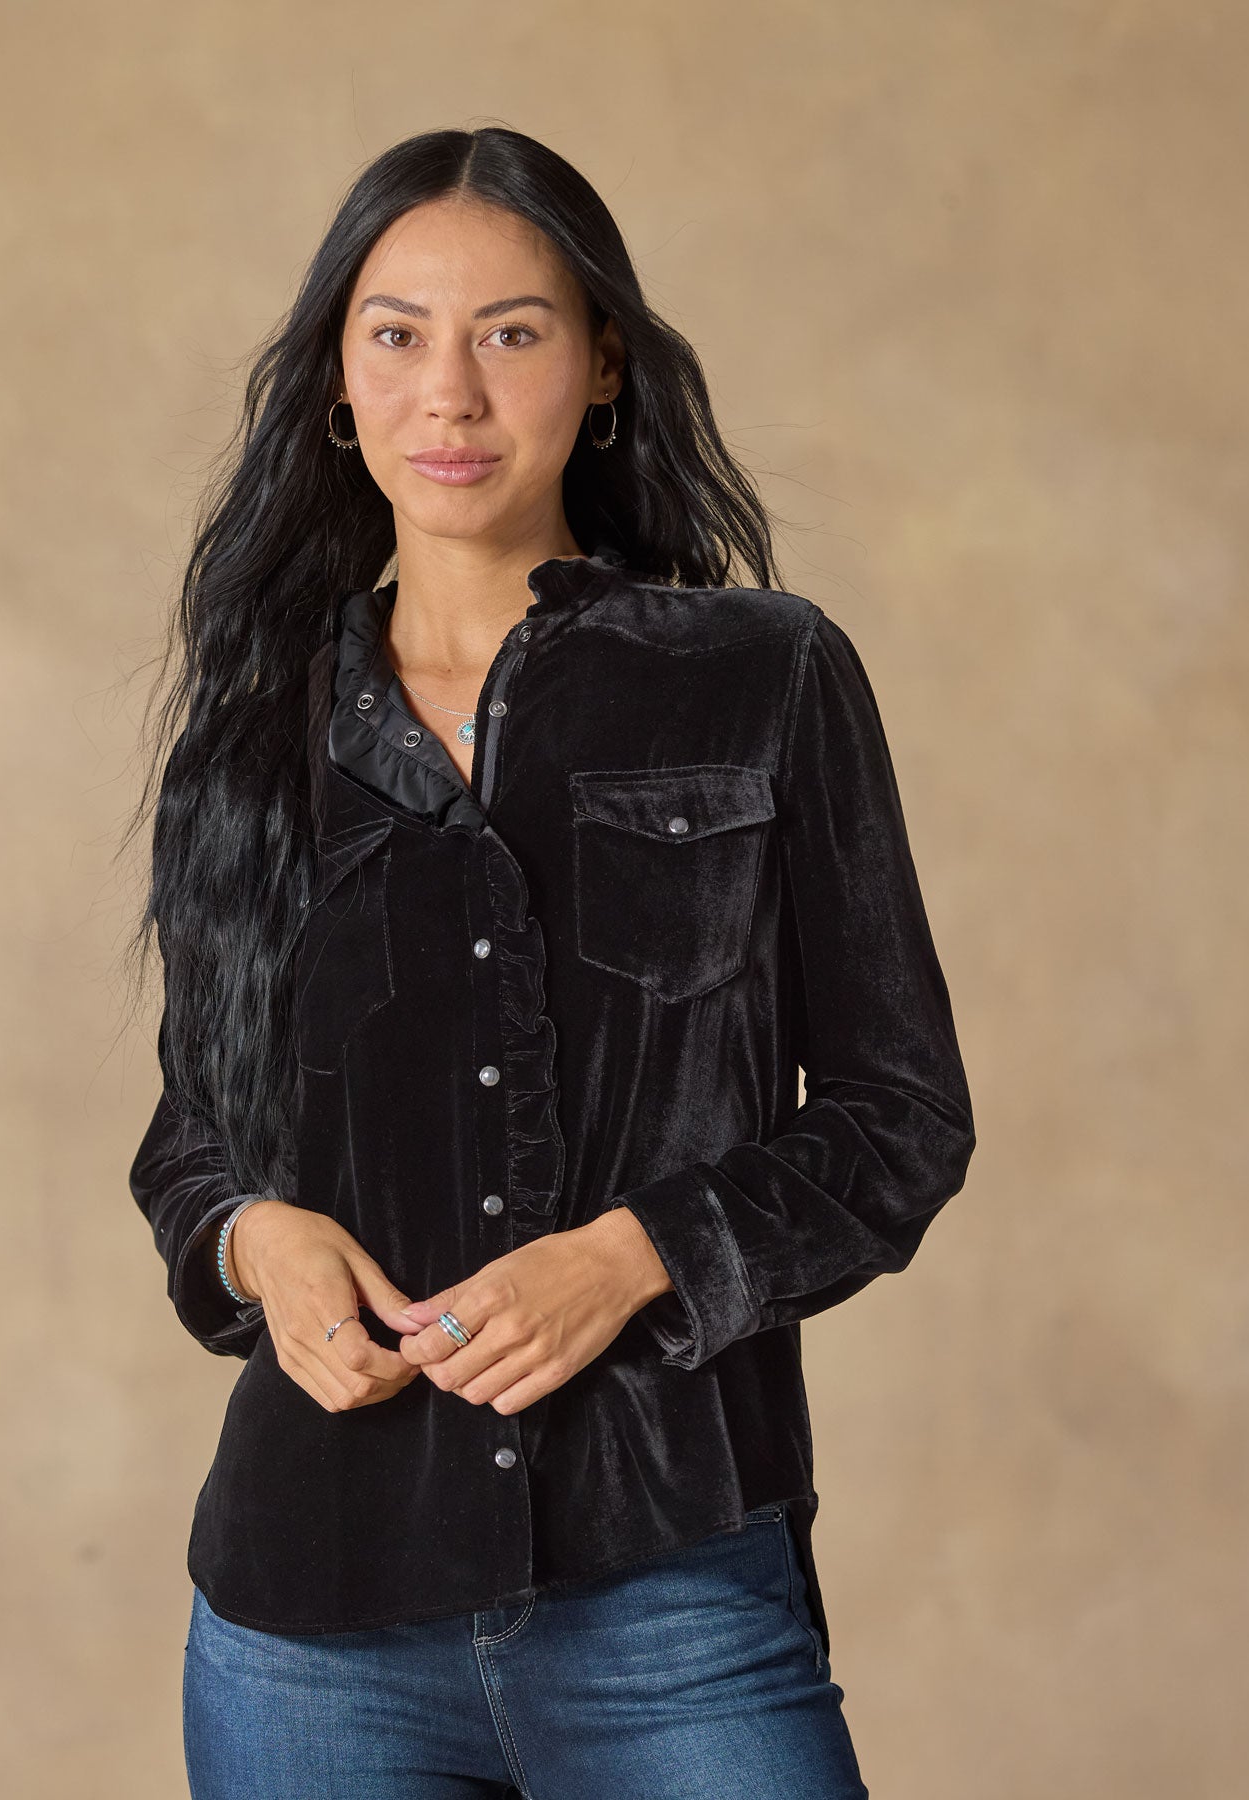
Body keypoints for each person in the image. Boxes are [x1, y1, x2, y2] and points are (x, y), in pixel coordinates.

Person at [122, 125, 975, 1800]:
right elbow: (191, 1141)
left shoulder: (764, 677)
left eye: (510, 333)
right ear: (336, 382)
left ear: (601, 370)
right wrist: (254, 1242)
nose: (450, 393)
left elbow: (900, 1118)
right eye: (397, 335)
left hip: (670, 1589)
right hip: (306, 1634)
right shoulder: (251, 739)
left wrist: (636, 1256)